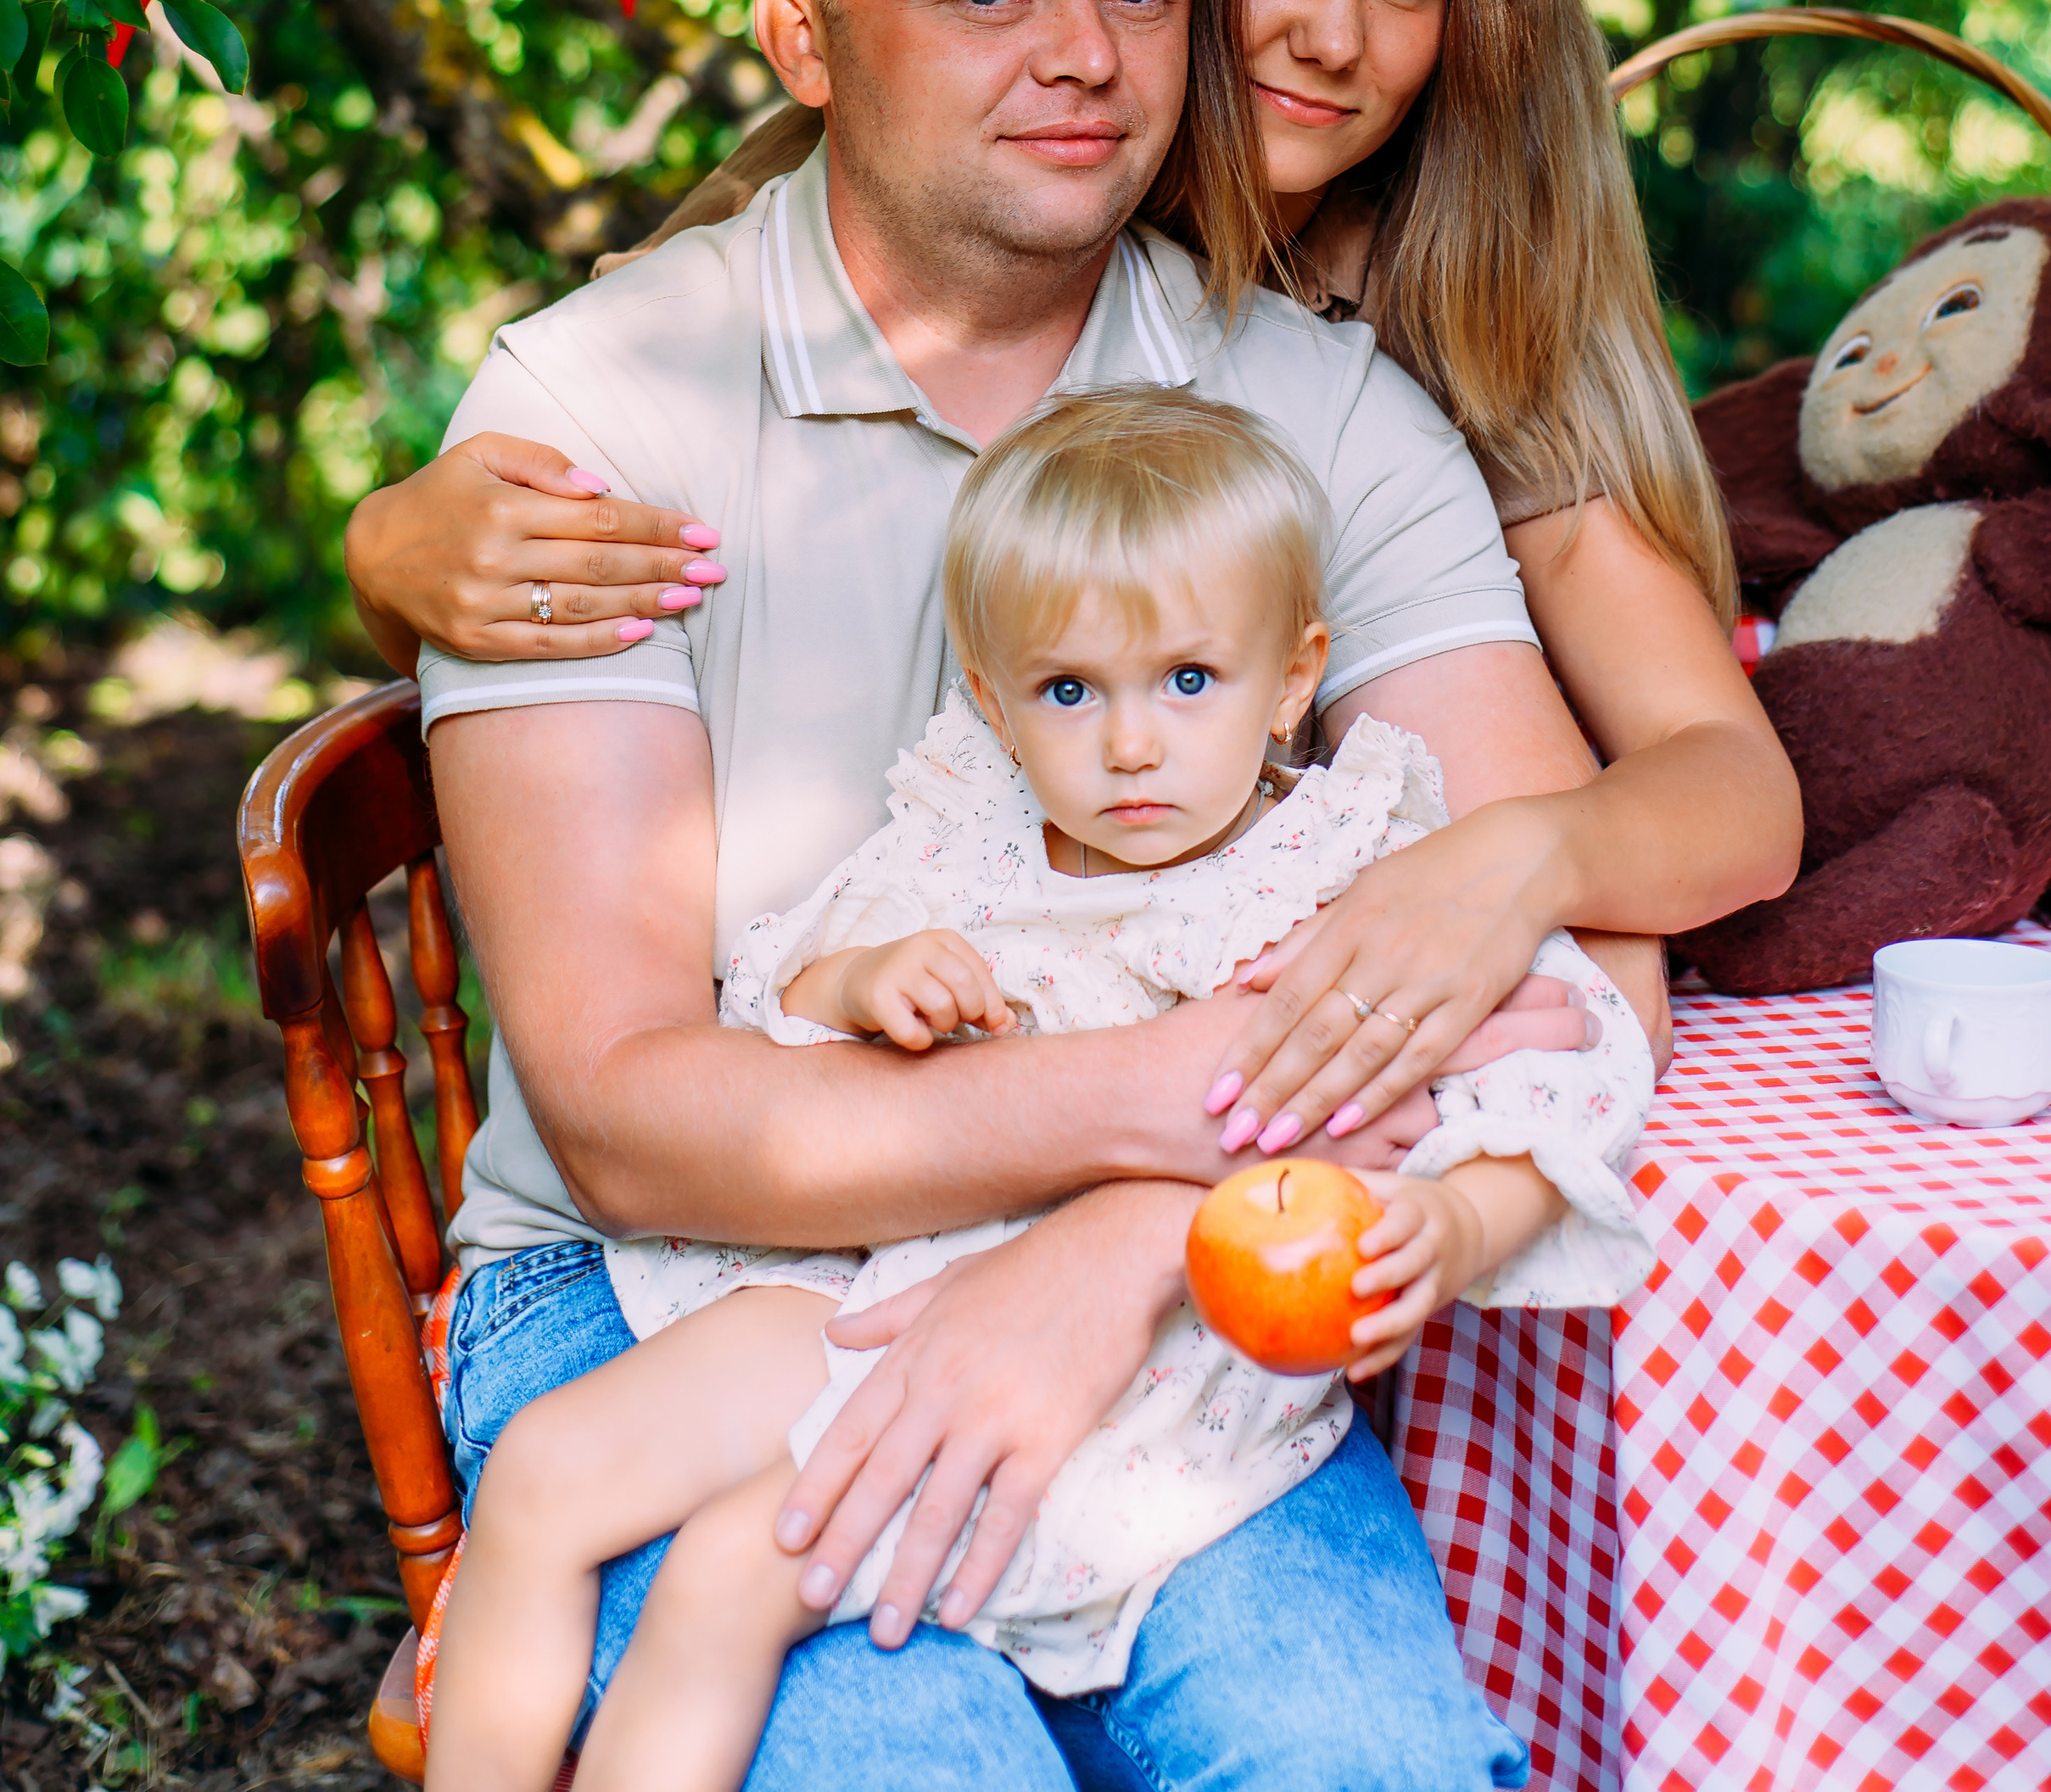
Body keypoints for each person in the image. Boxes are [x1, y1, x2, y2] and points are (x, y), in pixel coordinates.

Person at [349, 0, 1797, 1791]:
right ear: (802, 38)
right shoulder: (607, 416)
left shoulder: (1323, 403)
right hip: (669, 1271)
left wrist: (1118, 1241)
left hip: (1163, 1277)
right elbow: (637, 1126)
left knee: (1358, 1766)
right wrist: (1170, 1108)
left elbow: (1554, 966)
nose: (1087, 57)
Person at [423, 390, 1655, 1792]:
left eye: (1190, 678)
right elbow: (778, 996)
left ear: (1295, 673)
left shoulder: (1346, 871)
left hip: (1161, 1371)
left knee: (724, 1580)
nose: (1131, 744)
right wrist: (868, 982)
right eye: (1073, 690)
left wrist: (1468, 1223)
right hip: (889, 1274)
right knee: (540, 1471)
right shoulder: (979, 835)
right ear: (1002, 701)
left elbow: (1558, 1061)